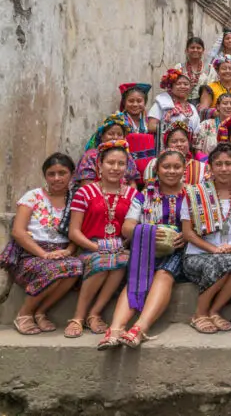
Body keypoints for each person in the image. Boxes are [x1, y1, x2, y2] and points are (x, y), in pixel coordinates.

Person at [98, 149, 189, 349]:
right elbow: (127, 227)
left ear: (184, 169)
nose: (171, 171)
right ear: (157, 169)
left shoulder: (191, 195)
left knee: (164, 274)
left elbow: (201, 227)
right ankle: (115, 330)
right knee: (138, 274)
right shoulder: (143, 196)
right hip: (146, 249)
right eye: (166, 167)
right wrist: (147, 231)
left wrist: (187, 237)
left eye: (177, 167)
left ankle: (139, 329)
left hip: (178, 252)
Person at [0, 153, 83, 335]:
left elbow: (76, 233)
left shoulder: (76, 199)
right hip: (30, 254)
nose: (57, 178)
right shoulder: (33, 196)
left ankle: (41, 311)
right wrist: (43, 254)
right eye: (51, 174)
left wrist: (68, 251)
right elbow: (18, 232)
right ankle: (24, 314)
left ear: (72, 175)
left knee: (76, 266)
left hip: (62, 254)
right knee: (53, 268)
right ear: (45, 176)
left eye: (62, 173)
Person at [65, 140, 137, 338]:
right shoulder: (84, 193)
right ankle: (78, 317)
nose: (115, 168)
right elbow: (74, 232)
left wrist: (122, 246)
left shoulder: (132, 194)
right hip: (90, 248)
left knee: (121, 261)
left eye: (121, 164)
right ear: (100, 165)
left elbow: (133, 228)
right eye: (110, 163)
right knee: (105, 260)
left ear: (126, 167)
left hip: (119, 248)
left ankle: (95, 313)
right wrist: (95, 247)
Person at [181, 143, 231, 335]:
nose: (224, 168)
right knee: (222, 262)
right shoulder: (195, 193)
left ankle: (214, 310)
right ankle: (199, 313)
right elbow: (188, 233)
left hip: (230, 251)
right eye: (218, 164)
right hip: (198, 254)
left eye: (229, 163)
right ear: (210, 167)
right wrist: (214, 250)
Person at [74, 114, 140, 187]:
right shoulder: (90, 156)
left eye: (119, 134)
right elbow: (86, 183)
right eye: (111, 134)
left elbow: (131, 183)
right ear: (102, 136)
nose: (115, 137)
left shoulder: (127, 157)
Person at [142, 122, 208, 184]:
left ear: (189, 143)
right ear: (167, 145)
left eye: (183, 141)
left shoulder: (201, 167)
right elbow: (148, 189)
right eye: (174, 141)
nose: (179, 144)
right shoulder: (154, 163)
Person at [148, 68, 201, 136]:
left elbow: (197, 131)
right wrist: (173, 129)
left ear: (190, 88)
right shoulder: (162, 103)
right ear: (171, 86)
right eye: (178, 84)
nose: (182, 86)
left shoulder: (192, 108)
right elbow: (151, 126)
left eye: (186, 84)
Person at [195, 93, 231, 160]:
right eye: (225, 103)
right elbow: (197, 150)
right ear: (218, 106)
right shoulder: (206, 125)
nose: (229, 106)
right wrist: (207, 163)